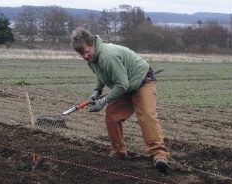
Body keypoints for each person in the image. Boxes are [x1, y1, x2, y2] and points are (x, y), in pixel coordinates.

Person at [70, 26, 170, 172]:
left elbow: (121, 85)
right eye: (81, 54)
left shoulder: (108, 56)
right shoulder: (92, 59)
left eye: (86, 51)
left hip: (142, 82)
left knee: (146, 115)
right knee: (112, 116)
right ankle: (118, 151)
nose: (85, 56)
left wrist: (104, 101)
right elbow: (101, 75)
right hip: (126, 85)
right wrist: (97, 91)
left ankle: (159, 155)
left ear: (93, 44)